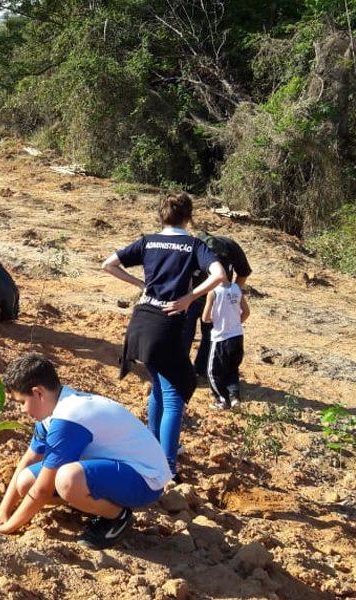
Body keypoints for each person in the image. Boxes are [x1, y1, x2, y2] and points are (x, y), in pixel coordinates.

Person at [102, 192, 226, 480]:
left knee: (160, 386)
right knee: (175, 395)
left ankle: (151, 451)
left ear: (163, 216)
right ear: (188, 217)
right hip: (166, 325)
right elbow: (219, 274)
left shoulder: (148, 242)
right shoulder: (194, 245)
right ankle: (166, 468)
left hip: (141, 321)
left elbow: (108, 264)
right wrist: (188, 298)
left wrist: (141, 284)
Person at [0, 354, 173, 550]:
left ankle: (117, 516)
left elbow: (43, 491)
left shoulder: (68, 418)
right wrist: (3, 510)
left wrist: (9, 527)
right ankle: (92, 503)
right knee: (26, 482)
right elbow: (29, 459)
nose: (21, 410)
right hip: (115, 469)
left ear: (38, 393)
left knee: (67, 480)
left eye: (21, 402)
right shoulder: (52, 411)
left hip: (145, 480)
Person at [183, 232, 252, 380]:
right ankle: (181, 369)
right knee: (184, 333)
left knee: (211, 336)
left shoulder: (231, 248)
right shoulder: (191, 247)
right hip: (191, 296)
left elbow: (244, 272)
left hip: (218, 299)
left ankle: (201, 370)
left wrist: (232, 293)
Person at [202, 277, 250, 410]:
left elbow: (205, 318)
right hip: (237, 336)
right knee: (232, 369)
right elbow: (246, 312)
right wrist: (234, 323)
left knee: (213, 372)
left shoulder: (213, 292)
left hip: (221, 338)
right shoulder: (237, 289)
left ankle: (221, 400)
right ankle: (234, 398)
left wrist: (218, 320)